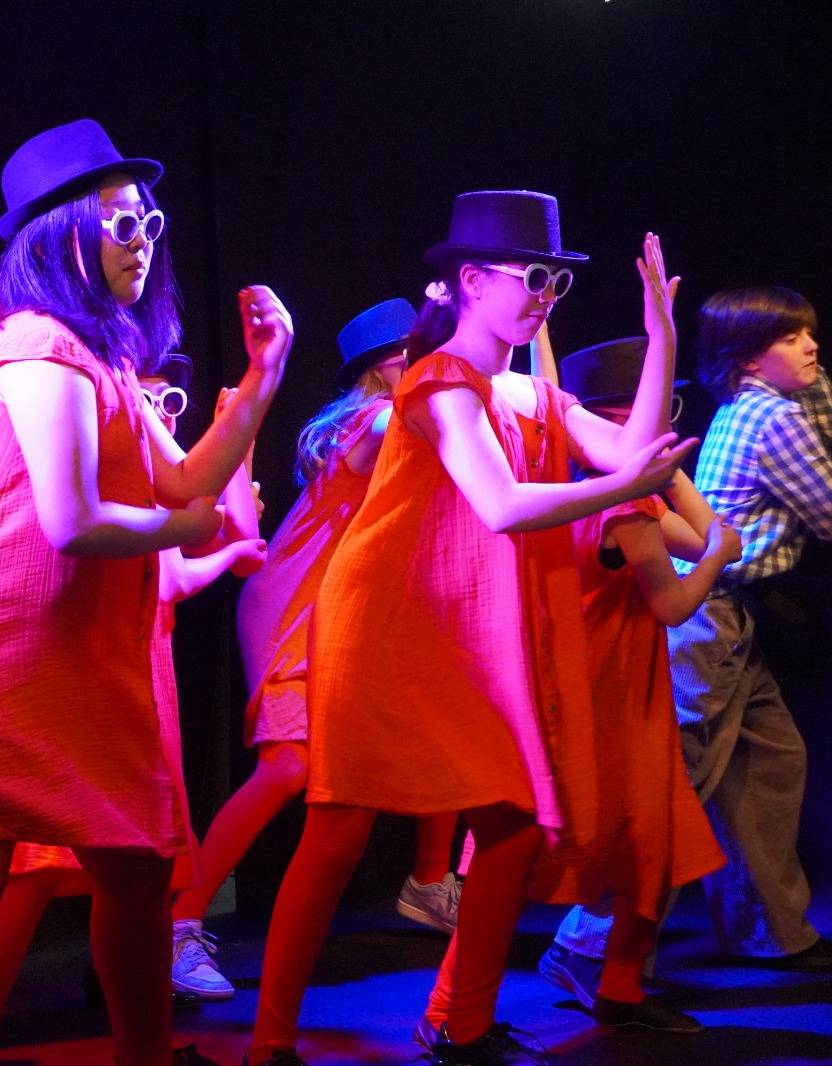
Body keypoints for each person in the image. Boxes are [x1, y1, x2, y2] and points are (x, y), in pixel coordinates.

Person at [0, 119, 292, 1066]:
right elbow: (74, 519)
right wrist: (191, 530)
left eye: (149, 223)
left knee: (136, 869)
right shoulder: (37, 347)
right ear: (59, 238)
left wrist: (263, 379)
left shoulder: (103, 357)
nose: (143, 242)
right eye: (121, 225)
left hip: (59, 655)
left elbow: (186, 480)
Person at [247, 192, 692, 1066]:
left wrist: (661, 335)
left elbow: (629, 448)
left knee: (514, 825)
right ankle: (268, 1045)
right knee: (336, 836)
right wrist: (623, 487)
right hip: (385, 630)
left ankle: (462, 1025)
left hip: (462, 634)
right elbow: (501, 503)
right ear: (472, 282)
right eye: (533, 277)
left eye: (558, 281)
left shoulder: (530, 392)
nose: (545, 296)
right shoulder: (438, 382)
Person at [172, 299, 462, 1004]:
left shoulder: (417, 419)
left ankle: (429, 881)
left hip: (354, 612)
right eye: (411, 358)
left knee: (445, 722)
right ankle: (178, 923)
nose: (425, 368)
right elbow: (404, 425)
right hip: (293, 606)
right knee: (288, 767)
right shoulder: (370, 421)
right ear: (382, 369)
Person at [526, 336, 732, 1031]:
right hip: (612, 688)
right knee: (643, 834)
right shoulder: (625, 511)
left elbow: (702, 533)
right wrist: (716, 559)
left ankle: (614, 981)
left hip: (603, 682)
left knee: (644, 833)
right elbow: (682, 591)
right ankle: (607, 977)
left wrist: (668, 477)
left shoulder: (579, 491)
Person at [663, 287, 832, 968]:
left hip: (728, 614)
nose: (811, 346)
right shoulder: (775, 418)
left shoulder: (755, 401)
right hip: (708, 618)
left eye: (809, 332)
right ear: (750, 360)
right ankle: (589, 944)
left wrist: (811, 377)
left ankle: (768, 931)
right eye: (790, 339)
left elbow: (821, 401)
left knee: (769, 759)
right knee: (674, 778)